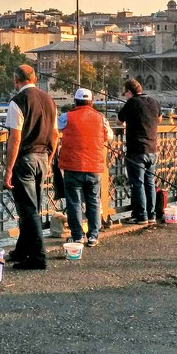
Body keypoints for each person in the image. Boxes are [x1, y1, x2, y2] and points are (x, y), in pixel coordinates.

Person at [4, 65, 58, 269]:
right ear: (34, 78)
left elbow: (15, 138)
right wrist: (50, 159)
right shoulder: (49, 100)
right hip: (43, 158)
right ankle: (22, 250)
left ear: (15, 80)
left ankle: (38, 257)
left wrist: (9, 169)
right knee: (32, 207)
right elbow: (55, 135)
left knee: (28, 210)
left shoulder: (18, 101)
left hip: (25, 159)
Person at [58, 88, 113, 247]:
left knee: (74, 202)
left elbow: (56, 129)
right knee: (93, 201)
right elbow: (109, 136)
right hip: (94, 166)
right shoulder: (101, 118)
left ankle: (77, 236)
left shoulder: (66, 117)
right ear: (92, 102)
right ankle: (93, 236)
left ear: (75, 101)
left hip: (72, 165)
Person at [117, 79, 161, 226]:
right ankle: (152, 214)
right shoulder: (154, 101)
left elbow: (119, 120)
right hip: (153, 149)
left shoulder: (132, 103)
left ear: (130, 92)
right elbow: (159, 119)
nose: (125, 96)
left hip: (137, 150)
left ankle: (141, 216)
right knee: (150, 183)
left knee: (138, 183)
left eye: (125, 93)